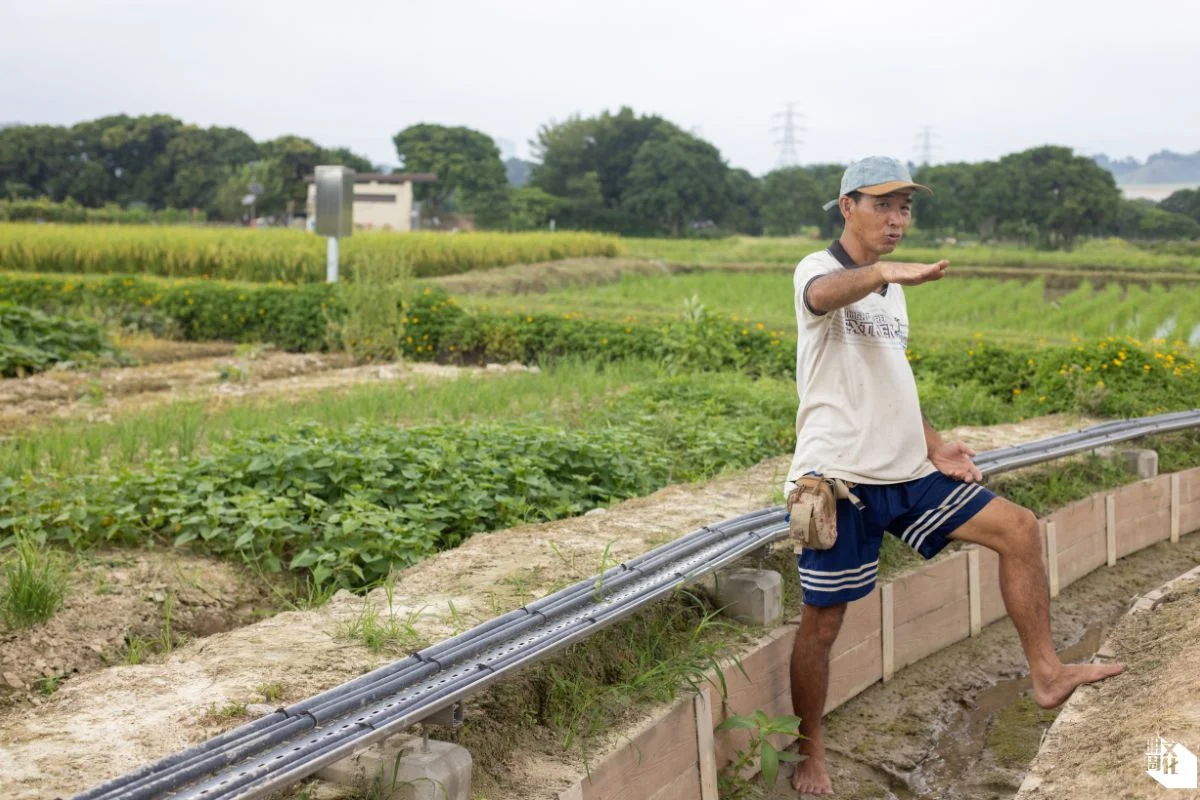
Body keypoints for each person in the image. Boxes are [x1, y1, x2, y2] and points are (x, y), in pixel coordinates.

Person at [784, 156, 1125, 796]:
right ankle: (811, 750)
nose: (897, 218)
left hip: (907, 472)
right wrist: (880, 270)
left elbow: (891, 380)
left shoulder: (897, 294)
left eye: (906, 207)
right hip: (837, 482)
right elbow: (821, 298)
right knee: (822, 622)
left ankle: (1047, 673)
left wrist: (935, 444)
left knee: (1018, 528)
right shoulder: (820, 269)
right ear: (847, 205)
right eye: (884, 204)